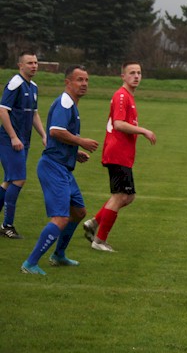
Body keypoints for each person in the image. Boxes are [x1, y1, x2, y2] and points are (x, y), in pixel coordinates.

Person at [20, 65, 99, 275]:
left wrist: (74, 153)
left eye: (86, 80)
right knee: (61, 218)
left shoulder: (71, 103)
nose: (84, 84)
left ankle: (58, 255)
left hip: (63, 167)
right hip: (53, 167)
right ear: (68, 82)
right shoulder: (65, 101)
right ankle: (30, 263)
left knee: (78, 212)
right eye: (79, 80)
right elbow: (55, 131)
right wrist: (81, 142)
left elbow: (59, 135)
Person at [82, 62, 157, 252]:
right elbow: (119, 124)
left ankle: (94, 222)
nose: (136, 76)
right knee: (120, 196)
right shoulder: (122, 96)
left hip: (123, 154)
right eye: (132, 73)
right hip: (117, 153)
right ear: (123, 76)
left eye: (139, 73)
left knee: (128, 196)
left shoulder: (128, 96)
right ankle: (99, 240)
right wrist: (144, 131)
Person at [0, 52, 46, 239]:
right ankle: (7, 225)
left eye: (35, 62)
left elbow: (34, 114)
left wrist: (44, 135)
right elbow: (2, 110)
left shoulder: (33, 87)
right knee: (19, 179)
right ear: (20, 65)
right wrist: (13, 137)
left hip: (23, 141)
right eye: (30, 63)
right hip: (10, 140)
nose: (34, 65)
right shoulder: (15, 83)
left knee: (9, 181)